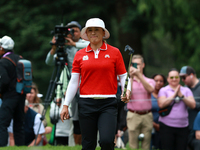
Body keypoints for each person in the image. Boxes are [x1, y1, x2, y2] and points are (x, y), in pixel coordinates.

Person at [60, 18, 130, 150]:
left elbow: (123, 75)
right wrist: (65, 104)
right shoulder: (79, 55)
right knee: (88, 144)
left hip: (108, 103)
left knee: (107, 141)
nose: (93, 33)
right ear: (86, 34)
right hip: (86, 104)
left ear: (103, 33)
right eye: (90, 30)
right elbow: (74, 81)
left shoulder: (115, 52)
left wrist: (127, 91)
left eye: (96, 30)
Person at [46, 21, 89, 145]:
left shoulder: (84, 44)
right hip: (72, 86)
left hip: (85, 86)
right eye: (68, 31)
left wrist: (74, 44)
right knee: (75, 118)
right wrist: (54, 48)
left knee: (86, 115)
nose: (71, 33)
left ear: (80, 33)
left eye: (74, 31)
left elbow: (91, 46)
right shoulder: (64, 48)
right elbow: (49, 62)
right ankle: (77, 144)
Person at [157, 68, 196, 150]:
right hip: (166, 126)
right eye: (171, 77)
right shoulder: (163, 90)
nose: (174, 79)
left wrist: (182, 96)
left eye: (176, 77)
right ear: (168, 79)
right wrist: (174, 95)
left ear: (179, 78)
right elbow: (161, 104)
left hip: (183, 126)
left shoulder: (186, 90)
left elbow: (193, 105)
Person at [0, 35, 26, 146]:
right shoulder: (20, 58)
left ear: (2, 48)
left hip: (9, 96)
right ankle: (20, 146)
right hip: (21, 94)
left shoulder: (3, 62)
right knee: (19, 124)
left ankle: (2, 146)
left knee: (2, 123)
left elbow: (4, 81)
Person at [127, 54, 155, 150]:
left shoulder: (149, 80)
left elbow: (151, 89)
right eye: (133, 64)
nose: (135, 66)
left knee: (146, 145)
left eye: (138, 64)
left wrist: (139, 75)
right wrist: (131, 78)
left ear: (143, 65)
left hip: (147, 115)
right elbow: (127, 96)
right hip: (133, 115)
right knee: (133, 145)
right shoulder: (127, 81)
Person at [179, 66, 200, 149]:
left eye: (184, 77)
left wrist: (192, 103)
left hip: (198, 127)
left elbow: (194, 105)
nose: (182, 80)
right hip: (186, 128)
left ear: (191, 75)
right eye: (181, 78)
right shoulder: (184, 89)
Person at [151, 74, 166, 150]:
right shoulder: (148, 94)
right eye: (156, 80)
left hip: (165, 125)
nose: (158, 83)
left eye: (161, 81)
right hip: (150, 124)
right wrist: (154, 125)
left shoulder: (167, 94)